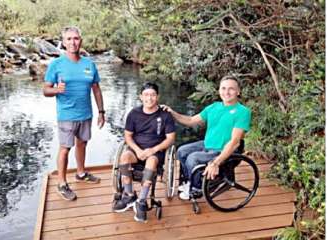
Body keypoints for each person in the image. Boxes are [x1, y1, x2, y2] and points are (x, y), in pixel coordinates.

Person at [162, 76, 251, 200]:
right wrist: (172, 112)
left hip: (224, 149)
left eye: (231, 89)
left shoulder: (242, 112)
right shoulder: (213, 107)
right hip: (207, 144)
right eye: (223, 88)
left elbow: (235, 142)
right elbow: (191, 120)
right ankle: (190, 181)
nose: (226, 92)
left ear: (238, 91)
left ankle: (197, 188)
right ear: (219, 90)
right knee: (182, 151)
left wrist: (216, 162)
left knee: (193, 158)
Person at [43, 26, 105, 201]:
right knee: (65, 149)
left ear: (81, 41)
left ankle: (81, 173)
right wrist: (56, 90)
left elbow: (97, 89)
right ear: (63, 42)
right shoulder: (56, 65)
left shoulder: (89, 64)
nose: (73, 42)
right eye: (69, 39)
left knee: (82, 144)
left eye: (76, 38)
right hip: (67, 115)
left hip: (86, 113)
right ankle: (62, 184)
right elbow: (45, 90)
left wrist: (101, 111)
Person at [112, 82, 176, 223]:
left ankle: (142, 200)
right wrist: (137, 150)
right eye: (146, 95)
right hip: (137, 150)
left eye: (152, 95)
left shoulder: (165, 115)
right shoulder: (134, 113)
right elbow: (128, 136)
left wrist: (152, 150)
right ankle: (129, 195)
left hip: (155, 152)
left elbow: (171, 138)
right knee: (124, 157)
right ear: (141, 97)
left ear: (158, 96)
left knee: (152, 161)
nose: (149, 98)